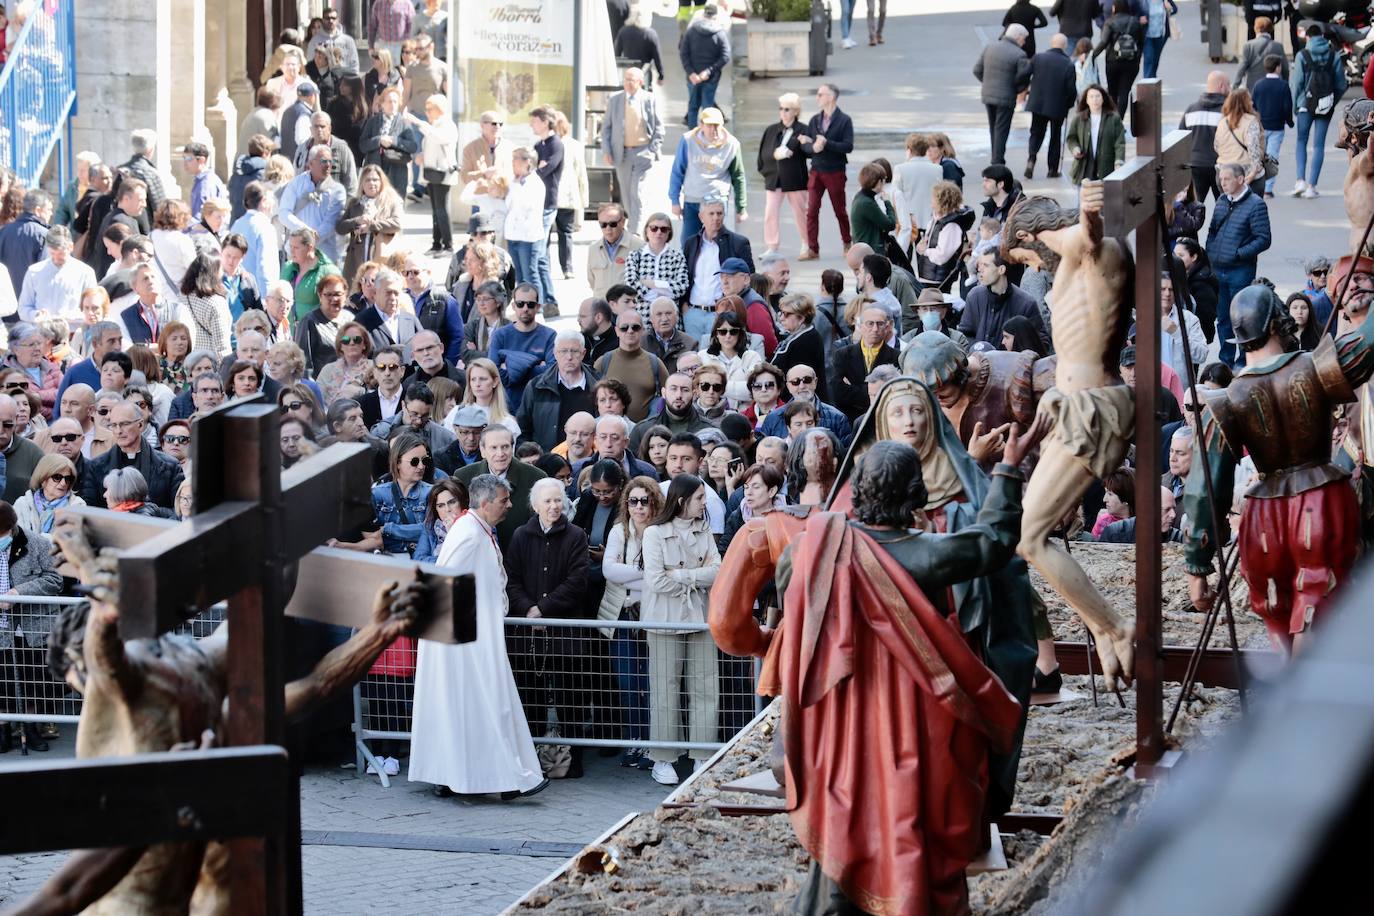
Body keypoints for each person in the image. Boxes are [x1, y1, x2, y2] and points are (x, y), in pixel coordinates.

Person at [1186, 283, 1374, 654]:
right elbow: (1366, 344)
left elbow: (1205, 489)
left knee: (1275, 608)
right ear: (1277, 323)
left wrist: (1197, 564)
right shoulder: (1316, 367)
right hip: (1320, 500)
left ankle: (1290, 684)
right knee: (1316, 602)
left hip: (1262, 514)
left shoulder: (1223, 401)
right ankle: (1307, 694)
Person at [409, 474, 548, 799]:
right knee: (483, 705)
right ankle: (501, 777)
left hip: (474, 636)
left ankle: (500, 777)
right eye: (504, 500)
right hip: (467, 641)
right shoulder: (470, 534)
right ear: (485, 503)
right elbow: (444, 585)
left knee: (480, 707)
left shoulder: (475, 529)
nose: (510, 505)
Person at [504, 476, 593, 775]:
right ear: (534, 505)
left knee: (570, 696)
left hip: (564, 631)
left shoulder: (576, 535)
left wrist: (543, 609)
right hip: (527, 632)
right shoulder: (520, 535)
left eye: (559, 500)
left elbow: (577, 580)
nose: (554, 506)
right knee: (531, 695)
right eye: (548, 501)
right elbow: (511, 578)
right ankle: (533, 760)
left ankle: (571, 762)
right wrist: (527, 609)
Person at [640, 473, 720, 785]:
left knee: (706, 686)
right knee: (665, 689)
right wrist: (695, 579)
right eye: (700, 498)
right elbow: (655, 579)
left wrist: (682, 576)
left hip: (700, 617)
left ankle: (702, 752)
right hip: (663, 618)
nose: (705, 503)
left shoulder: (705, 529)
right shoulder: (655, 533)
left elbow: (719, 569)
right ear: (683, 500)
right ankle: (663, 758)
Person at [1206, 162, 1272, 365]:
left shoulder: (1256, 204)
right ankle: (1225, 359)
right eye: (1221, 179)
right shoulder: (1222, 201)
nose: (1222, 183)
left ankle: (1244, 360)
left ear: (1240, 179)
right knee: (1223, 318)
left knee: (1242, 318)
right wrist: (1211, 251)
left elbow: (1263, 239)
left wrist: (1238, 254)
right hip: (1218, 271)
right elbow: (1213, 230)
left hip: (1240, 271)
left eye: (1227, 179)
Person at [452, 425, 547, 548]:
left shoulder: (536, 477)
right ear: (483, 450)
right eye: (493, 448)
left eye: (505, 447)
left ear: (512, 448)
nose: (500, 453)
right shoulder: (463, 476)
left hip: (523, 553)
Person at [80, 399, 183, 509]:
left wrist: (153, 512)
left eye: (124, 424)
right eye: (114, 425)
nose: (119, 431)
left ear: (140, 424)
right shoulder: (96, 466)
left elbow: (179, 511)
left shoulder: (170, 466)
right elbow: (89, 510)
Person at [669, 108, 746, 245]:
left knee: (716, 241)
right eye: (709, 125)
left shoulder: (732, 145)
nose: (713, 130)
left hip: (717, 200)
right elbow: (677, 171)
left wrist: (741, 207)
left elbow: (738, 176)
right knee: (689, 242)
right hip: (693, 198)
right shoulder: (688, 140)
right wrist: (675, 201)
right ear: (701, 125)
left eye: (717, 126)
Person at [681, 198, 753, 341]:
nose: (716, 218)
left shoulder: (738, 243)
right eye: (711, 214)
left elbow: (749, 277)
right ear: (701, 217)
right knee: (693, 358)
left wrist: (730, 308)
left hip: (721, 312)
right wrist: (685, 308)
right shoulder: (691, 243)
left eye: (719, 213)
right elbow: (684, 276)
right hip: (693, 312)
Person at [601, 68, 662, 238]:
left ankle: (635, 230)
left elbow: (659, 127)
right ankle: (633, 222)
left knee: (637, 192)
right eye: (626, 79)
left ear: (640, 82)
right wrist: (607, 150)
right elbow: (606, 128)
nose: (628, 83)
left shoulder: (649, 99)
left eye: (632, 80)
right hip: (622, 153)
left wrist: (652, 149)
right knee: (627, 195)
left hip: (643, 153)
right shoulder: (615, 100)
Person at [516, 330, 599, 451]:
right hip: (547, 462)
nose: (569, 357)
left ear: (583, 353)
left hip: (589, 461)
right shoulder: (537, 387)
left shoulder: (598, 385)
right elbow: (522, 429)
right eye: (563, 351)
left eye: (574, 351)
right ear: (555, 353)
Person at [797, 84, 854, 258]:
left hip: (835, 170)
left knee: (840, 210)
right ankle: (813, 248)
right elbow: (807, 145)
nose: (817, 97)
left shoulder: (844, 120)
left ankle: (847, 242)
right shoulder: (815, 120)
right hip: (816, 170)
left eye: (820, 94)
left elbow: (848, 146)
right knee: (812, 209)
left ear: (831, 97)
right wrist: (813, 147)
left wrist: (827, 143)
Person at [1290, 22, 1347, 199]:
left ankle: (1300, 180)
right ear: (1322, 37)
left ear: (1307, 37)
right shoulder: (1333, 55)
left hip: (1305, 105)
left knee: (1301, 140)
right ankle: (1311, 186)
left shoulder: (1302, 55)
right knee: (1319, 145)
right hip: (1325, 105)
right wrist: (1331, 101)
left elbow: (1297, 84)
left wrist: (1295, 106)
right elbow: (1341, 84)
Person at [959, 251, 1050, 350]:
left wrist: (1016, 354)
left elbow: (1042, 342)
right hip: (978, 362)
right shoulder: (974, 296)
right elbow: (963, 336)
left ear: (1001, 269)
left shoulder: (1026, 303)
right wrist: (979, 351)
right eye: (979, 265)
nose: (980, 269)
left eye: (986, 265)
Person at [487, 282, 555, 413]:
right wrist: (537, 366)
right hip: (507, 407)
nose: (525, 308)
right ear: (513, 306)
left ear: (538, 307)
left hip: (539, 406)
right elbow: (493, 371)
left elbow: (552, 372)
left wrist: (511, 368)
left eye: (530, 304)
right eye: (520, 304)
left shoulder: (550, 335)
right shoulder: (500, 335)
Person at [757, 92, 810, 259]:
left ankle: (807, 243)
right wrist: (768, 167)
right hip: (774, 179)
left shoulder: (803, 130)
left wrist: (804, 142)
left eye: (787, 109)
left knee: (801, 213)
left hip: (795, 178)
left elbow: (809, 152)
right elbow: (764, 153)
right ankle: (772, 246)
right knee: (770, 212)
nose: (783, 112)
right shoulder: (771, 130)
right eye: (781, 109)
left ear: (795, 111)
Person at [974, 24, 1032, 168]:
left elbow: (977, 70)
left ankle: (996, 157)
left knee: (993, 127)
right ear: (1018, 37)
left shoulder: (990, 48)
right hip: (1006, 97)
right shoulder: (1019, 54)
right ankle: (997, 161)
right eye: (1024, 39)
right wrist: (1017, 88)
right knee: (1001, 128)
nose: (1024, 42)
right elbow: (1024, 76)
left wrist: (987, 83)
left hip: (988, 94)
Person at [594, 308, 668, 421]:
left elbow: (670, 395)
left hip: (645, 433)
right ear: (617, 331)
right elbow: (592, 399)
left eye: (635, 327)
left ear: (642, 330)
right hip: (610, 433)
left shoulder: (655, 363)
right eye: (624, 328)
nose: (630, 331)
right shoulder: (602, 362)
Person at [278, 147, 347, 266]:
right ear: (311, 163)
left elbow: (330, 223)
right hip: (296, 253)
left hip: (324, 256)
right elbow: (284, 213)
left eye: (331, 161)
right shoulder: (296, 183)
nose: (328, 165)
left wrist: (309, 241)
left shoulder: (338, 190)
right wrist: (305, 232)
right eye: (324, 161)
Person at [1024, 34, 1079, 182]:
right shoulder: (1068, 63)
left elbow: (1025, 74)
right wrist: (1069, 103)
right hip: (1058, 106)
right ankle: (1052, 169)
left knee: (1036, 132)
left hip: (1038, 103)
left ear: (1051, 43)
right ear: (1065, 45)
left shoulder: (1038, 58)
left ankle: (1032, 157)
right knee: (1055, 137)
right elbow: (1071, 89)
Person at [16, 225, 97, 324]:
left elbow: (94, 309)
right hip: (42, 333)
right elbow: (23, 308)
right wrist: (36, 315)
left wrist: (71, 317)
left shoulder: (85, 273)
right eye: (52, 254)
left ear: (71, 247)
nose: (56, 258)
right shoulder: (34, 271)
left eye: (61, 254)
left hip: (73, 333)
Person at [336, 164, 403, 281]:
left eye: (375, 180)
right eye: (367, 180)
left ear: (382, 182)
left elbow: (397, 223)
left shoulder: (391, 201)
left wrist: (372, 226)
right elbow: (340, 227)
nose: (372, 183)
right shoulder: (354, 203)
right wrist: (356, 222)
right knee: (356, 293)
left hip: (382, 258)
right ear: (362, 183)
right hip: (356, 260)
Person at [833, 307, 900, 420]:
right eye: (870, 324)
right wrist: (876, 390)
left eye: (880, 324)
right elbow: (838, 393)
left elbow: (895, 393)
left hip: (884, 418)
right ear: (860, 326)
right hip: (850, 419)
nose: (875, 329)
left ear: (887, 327)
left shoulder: (897, 357)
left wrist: (854, 389)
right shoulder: (842, 355)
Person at [503, 148, 549, 305]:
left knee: (530, 274)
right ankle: (523, 305)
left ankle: (538, 307)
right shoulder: (515, 182)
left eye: (516, 159)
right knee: (519, 276)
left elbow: (525, 206)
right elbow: (508, 204)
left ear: (527, 162)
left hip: (528, 236)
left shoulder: (535, 183)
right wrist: (515, 184)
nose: (513, 162)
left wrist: (516, 185)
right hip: (513, 234)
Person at [1180, 71, 1231, 202]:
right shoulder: (1228, 112)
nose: (1230, 89)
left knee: (1195, 205)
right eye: (1228, 85)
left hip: (1195, 165)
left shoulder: (1191, 110)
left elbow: (1181, 138)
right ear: (1221, 86)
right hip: (1220, 166)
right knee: (1223, 205)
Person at [679, 4, 731, 130]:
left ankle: (692, 137)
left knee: (692, 108)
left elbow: (683, 52)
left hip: (693, 78)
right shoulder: (720, 34)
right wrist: (708, 71)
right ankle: (707, 137)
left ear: (703, 15)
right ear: (715, 16)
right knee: (708, 109)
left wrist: (691, 72)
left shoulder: (691, 32)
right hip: (711, 78)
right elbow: (725, 56)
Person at [1065, 84, 1127, 188]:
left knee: (1105, 200)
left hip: (1106, 167)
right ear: (1086, 100)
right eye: (1091, 97)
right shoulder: (1079, 118)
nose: (1095, 100)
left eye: (1098, 96)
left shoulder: (1114, 119)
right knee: (1084, 201)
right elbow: (1071, 138)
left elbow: (1119, 142)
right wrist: (1075, 148)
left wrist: (1118, 161)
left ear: (1103, 98)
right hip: (1084, 167)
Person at [1093, 0, 1144, 117]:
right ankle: (1119, 120)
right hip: (1131, 62)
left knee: (1112, 92)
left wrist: (1092, 55)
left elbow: (1104, 42)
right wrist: (1137, 58)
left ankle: (1111, 118)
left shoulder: (1110, 22)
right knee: (1124, 91)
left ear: (1114, 8)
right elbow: (1141, 43)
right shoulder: (1135, 22)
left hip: (1113, 62)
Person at [1252, 55, 1293, 198]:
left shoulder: (1258, 85)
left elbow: (1253, 106)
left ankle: (1257, 183)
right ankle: (1268, 188)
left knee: (1259, 155)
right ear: (1277, 67)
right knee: (1272, 155)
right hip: (1277, 126)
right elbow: (1287, 107)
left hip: (1261, 126)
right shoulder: (1283, 86)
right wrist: (1290, 121)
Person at [1215, 87, 1267, 197]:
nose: (1252, 102)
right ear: (1244, 103)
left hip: (1223, 171)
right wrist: (1253, 173)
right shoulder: (1251, 121)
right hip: (1246, 174)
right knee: (1252, 211)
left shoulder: (1222, 121)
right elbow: (1254, 150)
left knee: (1229, 209)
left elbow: (1216, 146)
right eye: (1249, 100)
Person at [587, 202, 644, 299]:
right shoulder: (593, 249)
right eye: (603, 225)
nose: (608, 229)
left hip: (628, 309)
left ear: (623, 222)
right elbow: (592, 281)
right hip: (602, 308)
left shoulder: (639, 247)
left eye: (613, 224)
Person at [0, 190, 52, 295]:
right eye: (49, 209)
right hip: (31, 305)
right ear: (38, 210)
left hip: (5, 304)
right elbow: (46, 274)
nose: (51, 213)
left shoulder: (3, 231)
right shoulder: (44, 235)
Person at [357, 267, 420, 353]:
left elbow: (423, 348)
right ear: (375, 293)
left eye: (396, 293)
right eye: (388, 292)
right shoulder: (361, 322)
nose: (393, 298)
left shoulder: (411, 320)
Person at [315, 318, 374, 405]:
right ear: (341, 346)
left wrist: (360, 391)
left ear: (364, 344)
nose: (351, 343)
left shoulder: (373, 367)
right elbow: (316, 399)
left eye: (357, 339)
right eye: (346, 340)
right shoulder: (328, 369)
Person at [849, 162, 898, 254]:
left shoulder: (861, 197)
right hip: (870, 251)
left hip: (863, 248)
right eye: (884, 179)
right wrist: (887, 202)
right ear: (879, 182)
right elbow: (890, 224)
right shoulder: (867, 203)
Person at [643, 296, 697, 373]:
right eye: (659, 314)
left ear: (677, 316)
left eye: (668, 313)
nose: (664, 319)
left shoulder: (690, 343)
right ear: (651, 318)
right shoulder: (640, 342)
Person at [1237, 15, 1287, 90]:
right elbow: (1285, 69)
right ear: (1271, 29)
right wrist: (1285, 83)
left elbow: (1241, 69)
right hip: (1275, 87)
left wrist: (1234, 87)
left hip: (1253, 87)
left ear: (1255, 29)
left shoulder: (1248, 45)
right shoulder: (1278, 46)